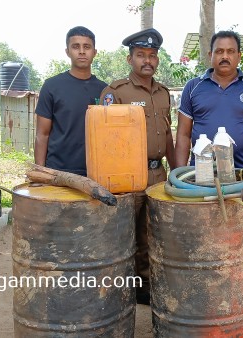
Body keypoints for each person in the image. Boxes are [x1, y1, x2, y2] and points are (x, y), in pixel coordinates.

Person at [98, 28, 175, 305]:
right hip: (126, 176)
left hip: (158, 174)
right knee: (123, 234)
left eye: (152, 55)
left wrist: (176, 173)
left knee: (151, 233)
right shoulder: (115, 92)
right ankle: (118, 289)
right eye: (141, 55)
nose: (147, 60)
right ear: (129, 59)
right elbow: (105, 140)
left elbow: (167, 136)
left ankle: (144, 288)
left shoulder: (164, 93)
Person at [175, 31, 243, 175]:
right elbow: (183, 135)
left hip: (242, 174)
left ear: (239, 56)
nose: (225, 56)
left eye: (230, 51)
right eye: (219, 51)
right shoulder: (193, 87)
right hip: (200, 174)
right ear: (210, 55)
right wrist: (180, 176)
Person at [34, 26, 107, 176]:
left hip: (95, 172)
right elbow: (42, 134)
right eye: (75, 46)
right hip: (57, 172)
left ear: (94, 52)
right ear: (67, 51)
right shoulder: (52, 86)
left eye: (87, 46)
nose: (81, 51)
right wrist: (40, 173)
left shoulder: (105, 91)